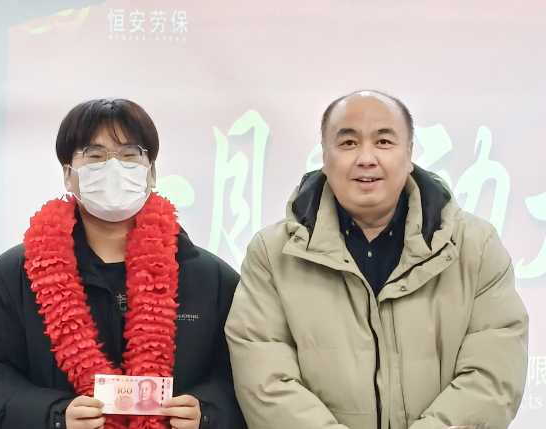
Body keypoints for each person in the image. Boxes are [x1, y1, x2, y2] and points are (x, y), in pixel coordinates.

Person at [225, 90, 528, 429]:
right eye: (348, 143)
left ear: (408, 153)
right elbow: (266, 381)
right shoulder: (272, 254)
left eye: (383, 142)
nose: (366, 158)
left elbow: (492, 375)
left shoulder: (476, 247)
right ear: (325, 156)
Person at [0, 99, 247, 429]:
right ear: (68, 175)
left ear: (151, 173)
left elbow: (248, 370)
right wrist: (53, 415)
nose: (113, 167)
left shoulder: (209, 278)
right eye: (95, 156)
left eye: (130, 155)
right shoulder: (17, 275)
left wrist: (208, 412)